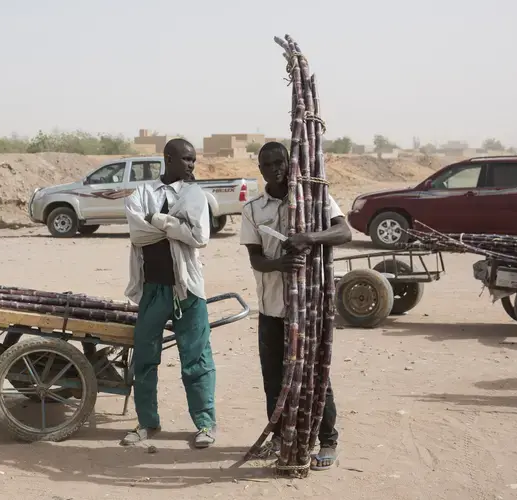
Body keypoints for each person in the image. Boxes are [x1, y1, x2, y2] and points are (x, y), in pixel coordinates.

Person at [240, 142, 352, 470]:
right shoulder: (254, 209)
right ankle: (279, 437)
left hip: (309, 308)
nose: (275, 168)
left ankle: (327, 439)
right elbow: (256, 260)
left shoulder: (312, 197)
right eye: (267, 164)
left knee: (316, 374)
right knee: (273, 378)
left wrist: (310, 238)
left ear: (289, 163)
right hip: (272, 308)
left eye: (279, 162)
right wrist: (280, 264)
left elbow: (344, 231)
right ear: (260, 169)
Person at [121, 138, 216, 448]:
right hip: (152, 289)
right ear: (168, 158)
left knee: (197, 359)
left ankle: (205, 424)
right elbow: (137, 231)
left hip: (187, 288)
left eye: (193, 160)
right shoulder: (144, 193)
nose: (191, 165)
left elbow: (199, 236)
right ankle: (148, 423)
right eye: (185, 159)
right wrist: (177, 226)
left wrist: (159, 220)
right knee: (145, 359)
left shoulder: (194, 194)